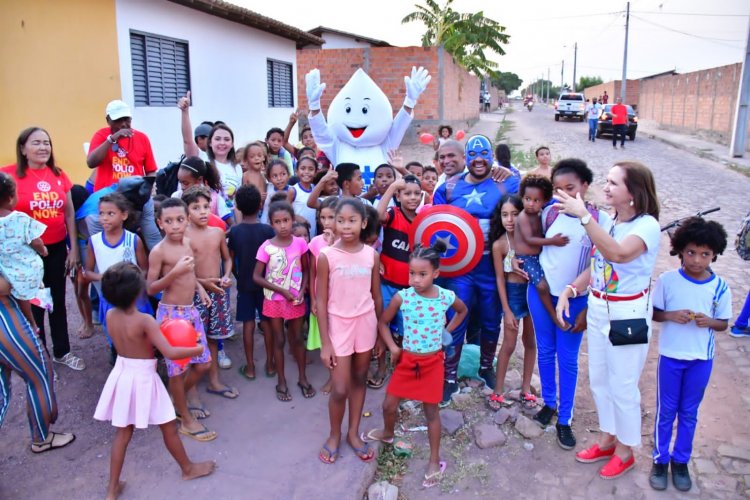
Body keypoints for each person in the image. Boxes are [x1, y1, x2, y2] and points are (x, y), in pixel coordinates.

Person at [555, 161, 660, 478]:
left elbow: (618, 254)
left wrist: (584, 216)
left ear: (633, 192)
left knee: (623, 384)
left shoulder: (647, 226)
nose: (607, 187)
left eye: (615, 183)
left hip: (628, 313)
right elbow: (600, 262)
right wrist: (571, 289)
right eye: (608, 181)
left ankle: (626, 450)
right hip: (600, 308)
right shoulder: (611, 222)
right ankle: (607, 437)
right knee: (599, 379)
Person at [94, 262, 214, 499]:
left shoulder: (110, 314)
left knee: (123, 433)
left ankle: (111, 489)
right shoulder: (145, 320)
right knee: (168, 426)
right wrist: (196, 348)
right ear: (139, 291)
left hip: (122, 373)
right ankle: (188, 469)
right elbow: (169, 352)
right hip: (144, 377)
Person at [361, 242, 467, 487]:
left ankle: (434, 459)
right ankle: (388, 433)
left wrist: (446, 334)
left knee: (431, 412)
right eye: (412, 273)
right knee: (389, 404)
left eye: (422, 274)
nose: (416, 279)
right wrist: (394, 347)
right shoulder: (403, 297)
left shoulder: (445, 296)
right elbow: (383, 323)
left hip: (432, 362)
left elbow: (462, 311)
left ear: (436, 274)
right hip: (408, 360)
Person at [527, 159, 612, 449]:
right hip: (541, 295)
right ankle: (549, 403)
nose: (563, 194)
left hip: (576, 300)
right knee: (546, 350)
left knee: (568, 357)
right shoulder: (549, 213)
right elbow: (532, 246)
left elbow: (603, 269)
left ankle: (565, 418)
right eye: (558, 188)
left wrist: (587, 307)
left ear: (585, 186)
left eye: (570, 188)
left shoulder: (599, 220)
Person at [649, 218, 731, 492]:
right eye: (691, 252)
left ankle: (681, 461)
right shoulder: (667, 281)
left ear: (715, 255)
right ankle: (660, 460)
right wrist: (671, 315)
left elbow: (724, 323)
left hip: (700, 359)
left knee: (689, 412)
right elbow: (654, 313)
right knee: (666, 411)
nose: (697, 260)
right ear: (680, 251)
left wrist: (711, 321)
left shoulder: (720, 287)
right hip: (671, 357)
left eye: (705, 254)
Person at [432, 137, 513, 403]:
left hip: (492, 266)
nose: (479, 159)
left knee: (491, 319)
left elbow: (528, 209)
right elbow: (437, 228)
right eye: (473, 154)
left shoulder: (507, 182)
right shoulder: (449, 187)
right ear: (466, 157)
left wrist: (510, 171)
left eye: (484, 153)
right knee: (455, 319)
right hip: (459, 268)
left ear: (492, 155)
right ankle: (449, 377)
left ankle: (486, 367)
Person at [2, 127, 84, 371]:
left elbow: (68, 213)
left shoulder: (59, 174)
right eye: (36, 143)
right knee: (33, 305)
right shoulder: (8, 175)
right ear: (22, 149)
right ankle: (39, 357)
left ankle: (62, 352)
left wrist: (75, 249)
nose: (43, 147)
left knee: (56, 301)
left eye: (46, 143)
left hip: (57, 249)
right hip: (24, 254)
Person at [317, 199, 382, 464]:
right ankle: (334, 434)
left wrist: (379, 334)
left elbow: (376, 297)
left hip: (365, 323)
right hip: (339, 326)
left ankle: (353, 433)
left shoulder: (371, 255)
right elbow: (320, 301)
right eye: (340, 220)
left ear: (363, 223)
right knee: (340, 388)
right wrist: (325, 343)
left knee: (359, 378)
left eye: (352, 220)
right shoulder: (327, 256)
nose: (345, 226)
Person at [146, 198, 215, 442]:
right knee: (177, 370)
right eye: (168, 221)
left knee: (203, 363)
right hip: (171, 313)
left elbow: (191, 273)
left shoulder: (187, 242)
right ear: (160, 223)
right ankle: (185, 419)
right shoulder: (159, 252)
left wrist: (200, 289)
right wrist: (173, 273)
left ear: (187, 221)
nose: (175, 225)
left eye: (179, 220)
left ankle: (174, 400)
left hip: (190, 310)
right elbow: (150, 288)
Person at [0, 276, 75, 454]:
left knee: (2, 391)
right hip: (5, 319)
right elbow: (4, 286)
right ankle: (41, 437)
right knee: (38, 374)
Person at [253, 201, 312, 401]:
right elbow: (257, 277)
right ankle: (281, 380)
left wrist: (302, 290)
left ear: (292, 220)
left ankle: (303, 378)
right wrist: (282, 291)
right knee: (279, 340)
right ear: (271, 224)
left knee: (297, 339)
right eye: (278, 222)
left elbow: (306, 269)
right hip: (275, 300)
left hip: (295, 299)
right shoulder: (266, 247)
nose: (283, 225)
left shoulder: (300, 243)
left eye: (286, 220)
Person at [182, 186, 237, 399]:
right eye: (196, 207)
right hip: (195, 294)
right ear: (186, 211)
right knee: (195, 341)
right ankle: (191, 390)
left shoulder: (217, 232)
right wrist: (202, 283)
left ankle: (214, 381)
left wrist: (227, 275)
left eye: (206, 206)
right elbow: (183, 270)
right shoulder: (184, 236)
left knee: (214, 339)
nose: (203, 211)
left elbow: (227, 258)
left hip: (218, 292)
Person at [86, 100, 162, 250]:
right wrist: (112, 139)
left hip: (136, 197)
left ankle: (162, 266)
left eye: (126, 119)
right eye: (118, 120)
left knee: (151, 236)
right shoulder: (101, 135)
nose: (123, 124)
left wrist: (150, 189)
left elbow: (151, 170)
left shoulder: (142, 138)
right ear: (108, 120)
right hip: (109, 198)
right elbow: (91, 162)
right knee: (108, 240)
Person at [369, 175, 423, 388]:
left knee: (407, 332)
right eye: (407, 193)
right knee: (382, 328)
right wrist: (391, 187)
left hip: (410, 291)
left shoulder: (423, 220)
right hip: (386, 285)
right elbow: (376, 216)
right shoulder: (393, 213)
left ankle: (403, 370)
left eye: (417, 194)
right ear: (398, 196)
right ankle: (382, 368)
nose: (412, 198)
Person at [487, 194, 538, 410]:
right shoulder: (500, 244)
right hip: (513, 294)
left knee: (530, 341)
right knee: (509, 343)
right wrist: (506, 310)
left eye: (515, 214)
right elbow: (500, 278)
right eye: (505, 215)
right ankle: (497, 391)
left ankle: (526, 389)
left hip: (533, 292)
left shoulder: (532, 238)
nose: (509, 219)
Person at [83, 193, 150, 350]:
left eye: (110, 213)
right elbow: (88, 272)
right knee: (117, 342)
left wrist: (133, 281)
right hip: (110, 299)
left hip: (135, 299)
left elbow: (145, 268)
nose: (104, 218)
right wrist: (105, 278)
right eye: (101, 213)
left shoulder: (133, 240)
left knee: (141, 338)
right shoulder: (94, 241)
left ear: (124, 215)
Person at [227, 184, 275, 380]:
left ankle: (250, 367)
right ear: (260, 205)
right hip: (266, 284)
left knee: (248, 324)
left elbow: (230, 259)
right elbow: (273, 259)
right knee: (267, 323)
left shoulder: (235, 232)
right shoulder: (268, 231)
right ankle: (271, 365)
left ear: (237, 206)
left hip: (245, 285)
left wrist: (239, 277)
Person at [0, 172, 47, 331]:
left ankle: (29, 323)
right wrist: (43, 250)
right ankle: (32, 323)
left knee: (16, 294)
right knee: (27, 291)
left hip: (6, 270)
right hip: (27, 269)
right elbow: (36, 241)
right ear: (10, 198)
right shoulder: (20, 218)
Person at [172, 157, 233, 225]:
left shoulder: (215, 199)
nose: (182, 187)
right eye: (180, 182)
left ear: (199, 179)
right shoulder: (176, 197)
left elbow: (232, 225)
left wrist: (218, 234)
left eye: (186, 183)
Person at [207, 124, 242, 201]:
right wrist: (185, 112)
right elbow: (187, 142)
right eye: (217, 139)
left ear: (232, 144)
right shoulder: (205, 163)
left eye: (226, 139)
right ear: (210, 142)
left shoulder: (237, 167)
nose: (222, 143)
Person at [287, 156, 318, 236]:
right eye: (303, 168)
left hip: (312, 233)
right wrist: (297, 218)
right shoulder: (293, 190)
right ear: (297, 171)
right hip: (297, 233)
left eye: (311, 169)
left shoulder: (315, 189)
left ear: (315, 172)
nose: (306, 172)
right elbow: (285, 211)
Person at [177, 91, 212, 160]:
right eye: (211, 138)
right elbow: (187, 140)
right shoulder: (200, 156)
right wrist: (185, 111)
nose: (221, 142)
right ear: (199, 139)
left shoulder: (230, 162)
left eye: (226, 139)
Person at [261, 160, 291, 224]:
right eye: (275, 176)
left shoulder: (292, 191)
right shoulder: (268, 188)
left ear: (288, 174)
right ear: (269, 179)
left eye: (283, 174)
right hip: (266, 226)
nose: (279, 178)